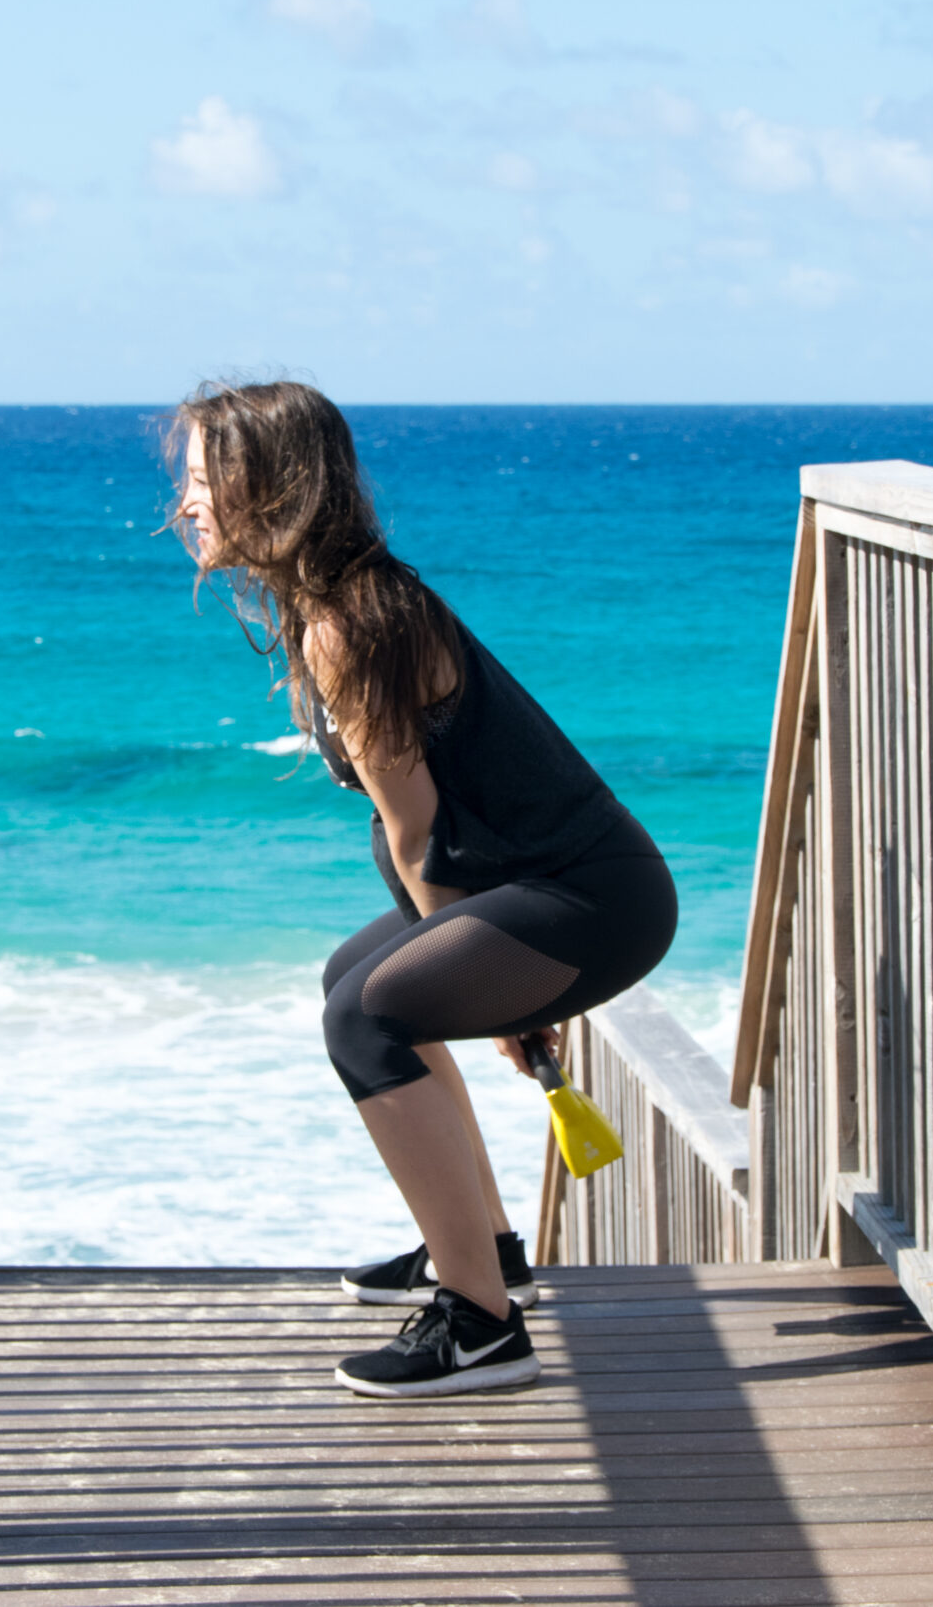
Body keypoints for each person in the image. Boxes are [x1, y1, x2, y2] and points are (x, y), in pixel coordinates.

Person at [169, 379, 678, 1398]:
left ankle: (481, 1325)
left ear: (271, 487)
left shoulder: (351, 622)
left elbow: (414, 829)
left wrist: (490, 995)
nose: (187, 503)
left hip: (591, 896)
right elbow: (418, 831)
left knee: (366, 1016)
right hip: (535, 883)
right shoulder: (335, 604)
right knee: (351, 977)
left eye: (203, 479)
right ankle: (486, 1251)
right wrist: (468, 972)